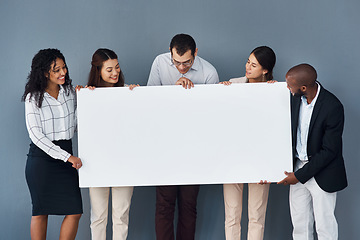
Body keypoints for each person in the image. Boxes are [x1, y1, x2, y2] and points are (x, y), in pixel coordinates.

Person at [147, 33, 219, 240]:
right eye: (176, 62)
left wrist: (190, 95)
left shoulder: (209, 73)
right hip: (164, 145)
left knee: (189, 205)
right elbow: (150, 103)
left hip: (194, 148)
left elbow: (210, 116)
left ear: (195, 53)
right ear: (170, 54)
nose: (181, 67)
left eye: (186, 62)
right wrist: (173, 93)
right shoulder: (160, 63)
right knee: (164, 204)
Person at [278, 63, 347, 239]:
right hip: (298, 167)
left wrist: (300, 176)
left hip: (323, 172)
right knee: (300, 225)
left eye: (289, 84)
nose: (286, 87)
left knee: (325, 226)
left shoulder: (333, 106)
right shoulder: (293, 99)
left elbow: (330, 151)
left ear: (303, 87)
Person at [22, 48, 83, 240]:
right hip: (42, 160)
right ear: (44, 72)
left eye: (63, 67)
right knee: (40, 212)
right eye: (56, 70)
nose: (62, 72)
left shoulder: (70, 93)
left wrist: (89, 97)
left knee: (75, 211)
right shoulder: (33, 98)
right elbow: (36, 135)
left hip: (67, 155)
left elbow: (78, 125)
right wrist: (67, 157)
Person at [219, 46, 276, 240]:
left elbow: (276, 130)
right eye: (248, 61)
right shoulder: (233, 84)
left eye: (254, 65)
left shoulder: (273, 90)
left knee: (256, 216)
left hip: (260, 161)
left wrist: (275, 95)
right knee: (232, 215)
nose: (248, 67)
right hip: (232, 158)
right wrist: (221, 92)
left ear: (265, 70)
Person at [86, 48, 138, 240]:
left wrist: (136, 98)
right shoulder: (87, 95)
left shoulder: (128, 93)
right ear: (98, 71)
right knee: (98, 216)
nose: (115, 72)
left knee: (121, 216)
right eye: (109, 69)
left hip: (124, 163)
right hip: (97, 163)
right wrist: (84, 98)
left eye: (116, 67)